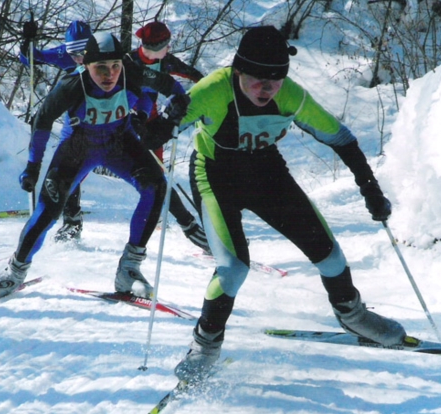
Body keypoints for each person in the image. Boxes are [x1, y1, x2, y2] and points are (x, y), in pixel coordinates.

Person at [171, 26, 407, 381]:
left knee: (330, 255)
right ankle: (205, 344)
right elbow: (159, 128)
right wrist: (160, 123)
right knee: (234, 269)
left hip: (267, 175)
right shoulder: (213, 91)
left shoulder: (292, 97)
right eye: (256, 80)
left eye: (275, 81)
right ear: (238, 72)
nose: (265, 89)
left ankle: (353, 316)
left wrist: (370, 189)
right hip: (216, 177)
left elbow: (341, 138)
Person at [0, 32, 191, 301]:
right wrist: (33, 166)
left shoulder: (132, 72)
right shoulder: (73, 83)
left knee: (156, 187)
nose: (109, 75)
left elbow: (173, 88)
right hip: (79, 148)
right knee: (49, 209)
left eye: (115, 66)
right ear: (86, 65)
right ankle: (14, 272)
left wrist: (176, 105)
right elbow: (43, 121)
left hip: (120, 143)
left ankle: (129, 269)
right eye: (100, 68)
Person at [128, 21, 209, 253]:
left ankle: (190, 228)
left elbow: (195, 76)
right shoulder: (129, 62)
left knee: (159, 178)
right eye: (166, 44)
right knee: (152, 180)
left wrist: (183, 103)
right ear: (157, 45)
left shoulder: (165, 61)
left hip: (154, 127)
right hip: (128, 125)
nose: (169, 48)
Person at [19, 20, 93, 242]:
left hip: (93, 120)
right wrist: (27, 41)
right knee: (64, 171)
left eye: (84, 52)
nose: (78, 57)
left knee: (75, 174)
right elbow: (31, 58)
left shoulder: (102, 56)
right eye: (73, 52)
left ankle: (72, 219)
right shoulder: (63, 55)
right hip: (71, 122)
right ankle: (65, 220)